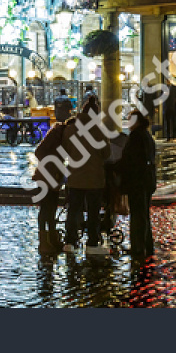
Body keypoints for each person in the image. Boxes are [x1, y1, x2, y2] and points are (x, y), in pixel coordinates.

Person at [63, 99, 109, 252]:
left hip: (75, 178)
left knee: (73, 210)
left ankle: (69, 241)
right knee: (93, 212)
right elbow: (106, 153)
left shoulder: (71, 129)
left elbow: (65, 149)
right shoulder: (99, 131)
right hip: (94, 179)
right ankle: (92, 242)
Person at [31, 99, 75, 243]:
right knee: (47, 206)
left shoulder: (59, 133)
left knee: (49, 206)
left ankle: (47, 235)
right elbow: (39, 152)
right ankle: (45, 236)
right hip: (48, 175)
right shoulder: (58, 134)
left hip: (50, 175)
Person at [119, 108, 158, 260]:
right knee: (143, 215)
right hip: (146, 181)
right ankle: (146, 246)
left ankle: (137, 247)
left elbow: (130, 160)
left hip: (137, 181)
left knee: (137, 215)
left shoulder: (136, 137)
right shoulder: (146, 136)